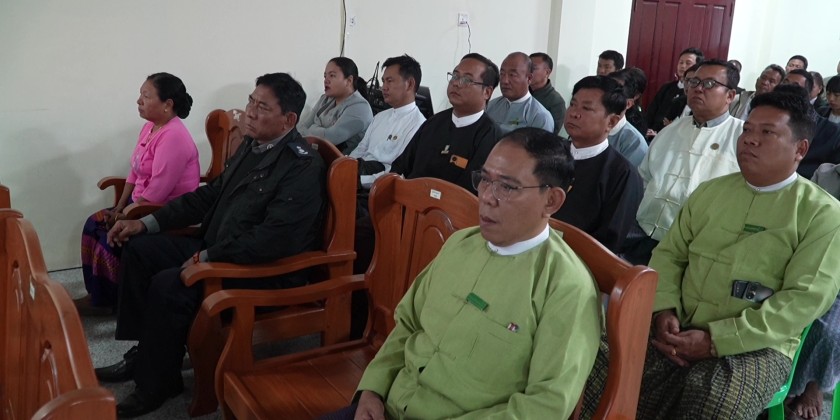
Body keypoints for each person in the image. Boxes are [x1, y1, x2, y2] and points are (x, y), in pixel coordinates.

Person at [585, 89, 840, 420]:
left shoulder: (822, 214)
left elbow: (803, 300)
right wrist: (664, 310)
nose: (750, 140)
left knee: (715, 405)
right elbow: (670, 255)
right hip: (677, 324)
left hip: (756, 344)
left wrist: (717, 340)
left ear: (800, 149)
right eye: (748, 130)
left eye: (767, 132)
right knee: (595, 368)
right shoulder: (710, 192)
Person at [93, 73, 326, 418]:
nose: (250, 112)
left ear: (288, 120)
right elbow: (209, 196)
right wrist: (146, 222)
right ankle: (148, 355)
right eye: (251, 101)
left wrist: (209, 257)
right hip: (220, 248)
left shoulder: (301, 166)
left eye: (262, 107)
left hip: (260, 269)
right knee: (140, 248)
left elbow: (274, 239)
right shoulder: (252, 145)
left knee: (170, 284)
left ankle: (156, 384)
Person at [343, 128, 601, 419]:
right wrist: (372, 390)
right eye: (485, 180)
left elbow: (546, 404)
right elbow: (408, 325)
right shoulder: (460, 243)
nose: (487, 197)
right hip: (387, 405)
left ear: (551, 201)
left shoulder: (566, 287)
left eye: (507, 187)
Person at [77, 72, 199, 316]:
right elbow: (135, 170)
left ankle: (110, 300)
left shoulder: (174, 136)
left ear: (167, 104)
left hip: (164, 212)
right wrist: (120, 208)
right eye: (140, 94)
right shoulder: (150, 127)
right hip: (140, 204)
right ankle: (97, 294)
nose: (139, 101)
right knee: (94, 224)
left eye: (146, 96)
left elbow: (158, 192)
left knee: (111, 236)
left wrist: (128, 215)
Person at [624, 59, 742, 265]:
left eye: (709, 84)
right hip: (644, 233)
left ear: (730, 95)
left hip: (696, 246)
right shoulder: (671, 130)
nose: (698, 89)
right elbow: (644, 177)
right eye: (694, 82)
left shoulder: (741, 137)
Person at [390, 53, 501, 193]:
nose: (456, 83)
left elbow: (470, 192)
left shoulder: (490, 136)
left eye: (467, 80)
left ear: (487, 92)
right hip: (411, 199)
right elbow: (400, 167)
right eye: (455, 76)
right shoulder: (433, 122)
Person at [555, 76, 643, 253]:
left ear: (611, 122)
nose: (574, 113)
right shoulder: (549, 153)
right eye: (573, 104)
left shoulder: (622, 174)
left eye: (586, 108)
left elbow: (608, 243)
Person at [787, 163, 840, 419]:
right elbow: (801, 217)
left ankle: (811, 386)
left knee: (830, 333)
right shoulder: (826, 174)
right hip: (811, 265)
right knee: (787, 313)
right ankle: (782, 383)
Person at [349, 55, 426, 190]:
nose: (383, 87)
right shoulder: (380, 117)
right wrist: (344, 166)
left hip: (378, 187)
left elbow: (398, 172)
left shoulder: (419, 126)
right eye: (383, 81)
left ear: (410, 84)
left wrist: (360, 181)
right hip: (358, 172)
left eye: (389, 81)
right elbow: (361, 148)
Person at [298, 57, 373, 154]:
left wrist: (313, 126)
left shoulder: (360, 107)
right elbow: (302, 126)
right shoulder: (325, 99)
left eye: (332, 76)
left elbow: (329, 139)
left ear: (349, 81)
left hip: (341, 160)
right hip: (316, 153)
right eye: (325, 76)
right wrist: (321, 130)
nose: (326, 80)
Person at [778, 73, 840, 178]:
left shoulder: (832, 132)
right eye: (785, 82)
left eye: (837, 95)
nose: (831, 99)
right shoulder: (820, 112)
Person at [486, 52, 553, 135]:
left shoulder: (540, 116)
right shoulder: (491, 106)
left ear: (529, 78)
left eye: (512, 75)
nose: (505, 81)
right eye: (502, 74)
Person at [645, 47, 704, 139]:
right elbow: (651, 112)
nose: (683, 66)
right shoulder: (667, 87)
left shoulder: (697, 94)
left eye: (688, 63)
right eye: (681, 62)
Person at [606, 69, 650, 166]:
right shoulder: (587, 125)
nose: (606, 98)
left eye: (615, 95)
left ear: (628, 103)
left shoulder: (634, 142)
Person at [529, 52, 566, 134]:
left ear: (547, 72)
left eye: (533, 68)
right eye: (527, 67)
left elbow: (551, 135)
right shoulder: (520, 93)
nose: (528, 72)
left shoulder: (556, 102)